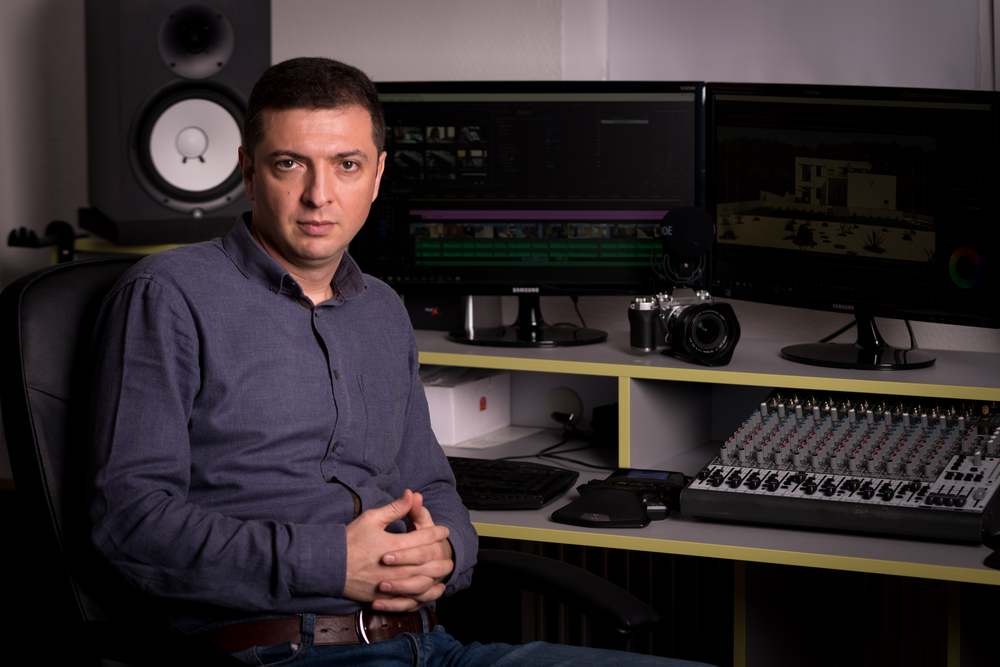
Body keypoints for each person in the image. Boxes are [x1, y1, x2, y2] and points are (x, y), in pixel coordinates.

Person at [89, 56, 711, 666]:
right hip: (281, 649)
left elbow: (431, 485)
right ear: (249, 172)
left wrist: (448, 554)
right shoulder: (168, 295)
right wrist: (330, 562)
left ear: (378, 175)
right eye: (289, 164)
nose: (319, 196)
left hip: (430, 645)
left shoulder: (382, 309)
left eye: (347, 165)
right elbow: (130, 523)